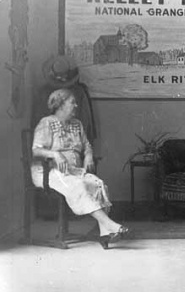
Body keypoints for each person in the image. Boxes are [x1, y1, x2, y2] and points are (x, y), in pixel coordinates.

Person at [31, 88, 128, 249]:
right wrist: (55, 154)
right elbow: (36, 150)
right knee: (79, 186)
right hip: (48, 172)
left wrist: (88, 155)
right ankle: (112, 225)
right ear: (61, 105)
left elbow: (87, 145)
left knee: (98, 184)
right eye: (72, 102)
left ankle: (105, 234)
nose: (76, 105)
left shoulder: (77, 124)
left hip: (72, 171)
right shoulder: (46, 123)